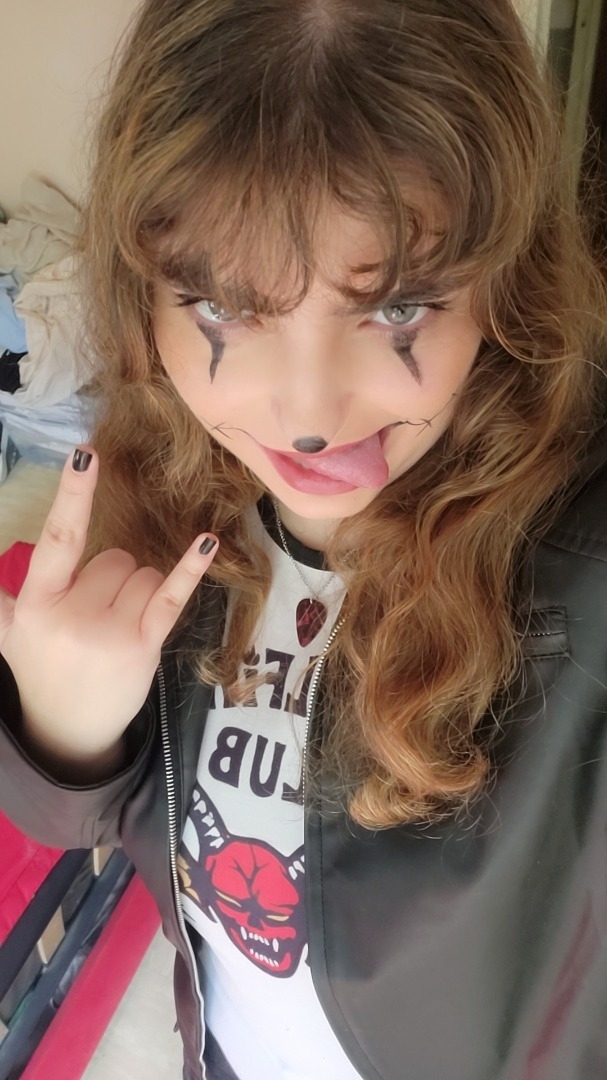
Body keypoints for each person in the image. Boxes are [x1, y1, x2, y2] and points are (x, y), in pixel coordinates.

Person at [1, 1, 607, 1077]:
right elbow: (97, 824)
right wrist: (64, 733)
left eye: (398, 307)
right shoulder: (169, 486)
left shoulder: (580, 563)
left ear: (504, 279)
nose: (309, 415)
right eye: (222, 310)